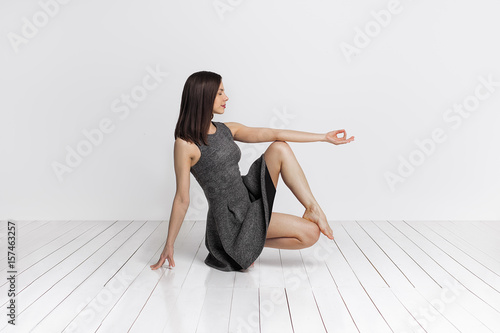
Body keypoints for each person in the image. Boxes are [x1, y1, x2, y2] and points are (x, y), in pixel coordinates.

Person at [150, 71, 354, 272]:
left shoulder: (227, 129)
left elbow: (274, 133)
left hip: (247, 195)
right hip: (232, 219)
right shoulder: (185, 144)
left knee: (279, 147)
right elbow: (182, 199)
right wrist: (169, 244)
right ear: (203, 96)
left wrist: (323, 137)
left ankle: (312, 208)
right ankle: (237, 246)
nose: (226, 97)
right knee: (311, 234)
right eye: (220, 92)